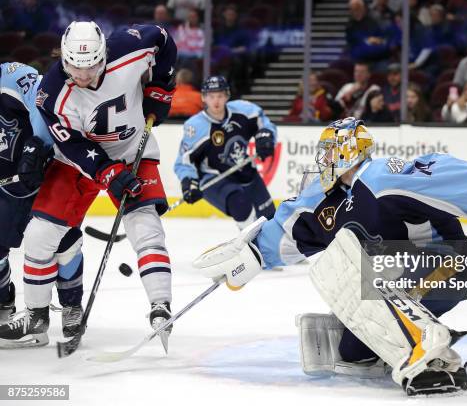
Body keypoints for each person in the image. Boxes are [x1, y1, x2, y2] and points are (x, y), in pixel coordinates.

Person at [193, 117, 467, 396]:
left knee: (341, 257)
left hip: (446, 262)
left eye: (329, 151)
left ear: (347, 151)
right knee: (352, 353)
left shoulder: (379, 176)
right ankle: (409, 343)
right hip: (397, 276)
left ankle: (428, 356)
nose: (323, 159)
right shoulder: (329, 201)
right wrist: (252, 253)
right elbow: (296, 224)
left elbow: (444, 172)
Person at [0, 21, 178, 348]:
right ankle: (37, 316)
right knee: (40, 234)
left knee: (145, 226)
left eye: (92, 67)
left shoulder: (131, 45)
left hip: (133, 155)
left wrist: (161, 87)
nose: (82, 76)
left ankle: (160, 305)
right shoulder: (52, 91)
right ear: (64, 59)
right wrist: (107, 172)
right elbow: (71, 145)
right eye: (74, 68)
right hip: (77, 164)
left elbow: (164, 39)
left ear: (104, 54)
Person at [0, 61, 83, 340]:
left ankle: (72, 306)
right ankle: (4, 306)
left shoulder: (12, 74)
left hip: (42, 172)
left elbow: (43, 99)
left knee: (63, 241)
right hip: (6, 188)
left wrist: (36, 147)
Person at [174, 75, 277, 230]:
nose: (216, 101)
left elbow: (265, 124)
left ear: (227, 96)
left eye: (220, 96)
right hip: (214, 178)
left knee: (270, 220)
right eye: (211, 96)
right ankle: (251, 244)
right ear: (203, 97)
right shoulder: (195, 127)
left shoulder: (244, 110)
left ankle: (269, 249)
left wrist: (266, 137)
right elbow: (184, 161)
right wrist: (188, 182)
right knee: (241, 205)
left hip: (245, 171)